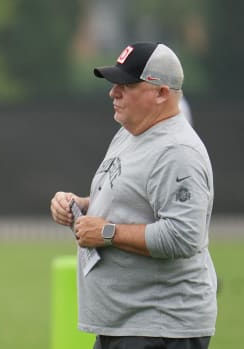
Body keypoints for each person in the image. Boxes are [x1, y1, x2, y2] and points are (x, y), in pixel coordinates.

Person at [50, 42, 217, 349]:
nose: (113, 93)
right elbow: (131, 200)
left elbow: (183, 236)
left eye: (126, 85)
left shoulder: (177, 151)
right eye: (115, 84)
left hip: (159, 328)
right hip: (129, 324)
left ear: (161, 93)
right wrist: (80, 206)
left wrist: (106, 232)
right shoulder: (131, 133)